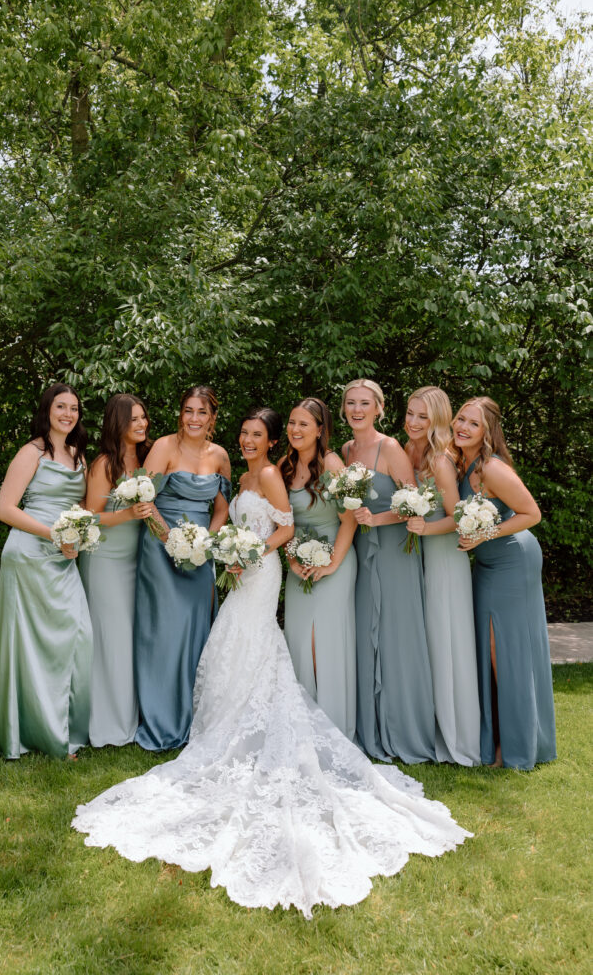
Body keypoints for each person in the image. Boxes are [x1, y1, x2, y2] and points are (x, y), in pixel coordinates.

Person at [73, 406, 471, 919]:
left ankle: (252, 724)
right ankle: (228, 722)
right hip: (247, 570)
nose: (247, 440)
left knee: (251, 638)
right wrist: (232, 549)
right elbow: (244, 517)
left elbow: (284, 527)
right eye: (243, 433)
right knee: (232, 643)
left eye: (256, 434)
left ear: (272, 438)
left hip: (260, 573)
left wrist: (250, 551)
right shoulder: (247, 474)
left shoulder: (269, 475)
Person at [0, 383, 92, 759]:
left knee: (76, 639)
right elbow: (5, 509)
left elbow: (80, 508)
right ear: (47, 410)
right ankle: (35, 733)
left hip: (64, 557)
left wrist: (76, 536)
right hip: (28, 553)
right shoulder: (31, 452)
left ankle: (63, 724)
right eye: (60, 406)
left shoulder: (79, 456)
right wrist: (53, 533)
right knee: (30, 646)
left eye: (74, 408)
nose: (67, 413)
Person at [454, 397, 556, 770]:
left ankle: (513, 749)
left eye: (473, 424)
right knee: (490, 650)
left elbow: (532, 513)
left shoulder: (492, 468)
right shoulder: (461, 462)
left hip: (513, 560)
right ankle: (499, 738)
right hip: (487, 563)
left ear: (488, 432)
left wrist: (485, 534)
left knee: (505, 653)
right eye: (461, 419)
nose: (463, 427)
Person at [130, 385, 231, 751]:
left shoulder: (219, 456)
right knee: (165, 635)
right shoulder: (163, 447)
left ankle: (196, 718)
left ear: (213, 417)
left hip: (201, 556)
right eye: (188, 410)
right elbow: (145, 501)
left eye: (201, 412)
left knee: (196, 635)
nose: (193, 418)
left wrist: (205, 542)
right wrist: (172, 540)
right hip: (161, 550)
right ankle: (160, 718)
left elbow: (222, 507)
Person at [343, 378, 436, 763]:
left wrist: (378, 520)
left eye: (365, 403)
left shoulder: (390, 447)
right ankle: (371, 728)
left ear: (379, 408)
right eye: (351, 403)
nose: (357, 409)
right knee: (366, 635)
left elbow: (415, 504)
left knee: (397, 637)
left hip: (396, 551)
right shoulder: (346, 450)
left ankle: (404, 730)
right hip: (362, 554)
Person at [404, 387, 480, 766]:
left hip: (445, 560)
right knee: (429, 645)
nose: (414, 422)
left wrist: (425, 530)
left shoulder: (441, 460)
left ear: (436, 421)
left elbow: (459, 518)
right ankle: (430, 726)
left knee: (447, 643)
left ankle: (457, 736)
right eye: (410, 413)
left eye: (423, 417)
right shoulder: (406, 451)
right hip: (418, 560)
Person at [280, 398, 358, 741]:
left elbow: (350, 518)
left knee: (322, 642)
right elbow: (281, 522)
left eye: (304, 424)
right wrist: (292, 559)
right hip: (298, 562)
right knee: (298, 641)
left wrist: (331, 564)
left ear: (320, 430)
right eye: (292, 422)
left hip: (335, 559)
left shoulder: (332, 464)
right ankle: (301, 729)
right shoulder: (283, 465)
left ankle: (333, 730)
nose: (296, 430)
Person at [79, 394, 151, 748]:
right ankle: (105, 723)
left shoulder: (148, 459)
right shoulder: (103, 464)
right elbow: (90, 516)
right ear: (116, 422)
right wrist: (126, 514)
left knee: (132, 637)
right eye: (133, 419)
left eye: (143, 418)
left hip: (138, 560)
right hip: (105, 559)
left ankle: (132, 716)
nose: (141, 424)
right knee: (111, 638)